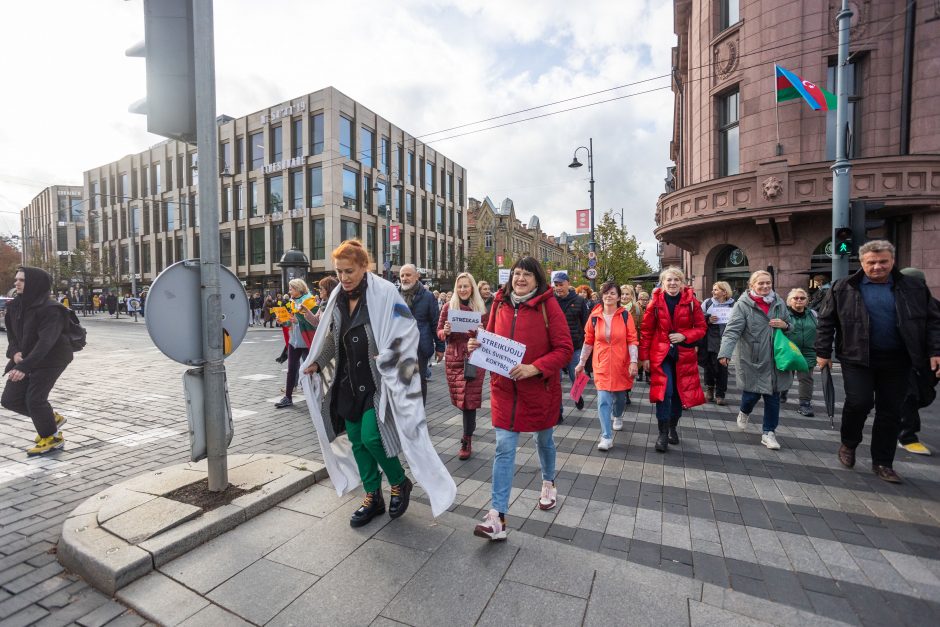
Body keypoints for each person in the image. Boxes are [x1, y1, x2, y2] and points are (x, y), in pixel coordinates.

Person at [301, 240, 455, 527]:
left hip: (378, 381)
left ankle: (399, 482)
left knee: (372, 437)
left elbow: (407, 330)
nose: (344, 277)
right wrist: (318, 361)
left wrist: (388, 355)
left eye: (349, 271)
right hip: (348, 382)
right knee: (357, 440)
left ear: (363, 267)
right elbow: (334, 339)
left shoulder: (384, 295)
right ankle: (373, 496)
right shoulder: (337, 299)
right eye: (340, 271)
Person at [467, 256, 573, 540]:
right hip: (504, 389)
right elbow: (488, 336)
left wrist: (535, 367)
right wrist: (477, 343)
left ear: (537, 280)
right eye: (517, 274)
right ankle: (497, 517)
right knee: (504, 447)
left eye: (527, 274)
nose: (521, 279)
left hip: (539, 390)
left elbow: (564, 348)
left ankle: (548, 482)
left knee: (543, 440)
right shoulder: (499, 303)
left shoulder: (548, 305)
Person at [816, 241, 940, 482]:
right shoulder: (843, 287)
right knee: (859, 403)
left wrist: (935, 350)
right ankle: (849, 443)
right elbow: (826, 321)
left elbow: (933, 321)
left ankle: (883, 462)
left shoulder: (914, 287)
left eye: (882, 261)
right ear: (861, 263)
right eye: (871, 262)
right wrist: (823, 353)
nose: (877, 267)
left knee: (891, 412)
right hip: (856, 357)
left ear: (892, 261)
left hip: (899, 360)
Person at [2, 267, 74, 455]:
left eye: (22, 280)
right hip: (27, 357)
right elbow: (12, 336)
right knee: (10, 399)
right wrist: (14, 353)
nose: (16, 283)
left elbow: (46, 343)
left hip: (53, 358)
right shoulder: (14, 306)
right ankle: (50, 419)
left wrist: (24, 366)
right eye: (16, 279)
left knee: (35, 399)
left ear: (36, 283)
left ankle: (52, 438)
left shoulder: (51, 309)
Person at [718, 270, 792, 451]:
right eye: (761, 283)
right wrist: (725, 353)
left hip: (775, 358)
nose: (765, 286)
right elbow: (732, 330)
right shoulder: (742, 305)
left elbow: (791, 324)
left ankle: (769, 433)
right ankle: (744, 412)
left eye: (768, 283)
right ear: (752, 286)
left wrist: (786, 325)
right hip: (752, 358)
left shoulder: (779, 302)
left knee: (773, 396)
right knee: (751, 395)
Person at [639, 267, 706, 452]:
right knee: (665, 391)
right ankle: (662, 433)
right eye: (669, 280)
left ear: (682, 282)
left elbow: (701, 327)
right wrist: (644, 357)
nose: (673, 283)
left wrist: (684, 335)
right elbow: (646, 331)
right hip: (662, 354)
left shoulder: (692, 302)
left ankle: (672, 427)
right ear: (663, 282)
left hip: (684, 354)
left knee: (678, 394)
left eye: (677, 279)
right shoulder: (655, 302)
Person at [576, 281, 638, 451]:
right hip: (601, 364)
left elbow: (632, 340)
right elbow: (588, 342)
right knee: (603, 400)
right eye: (606, 293)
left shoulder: (625, 315)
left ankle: (617, 415)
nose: (609, 296)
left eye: (612, 293)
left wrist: (633, 361)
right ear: (601, 296)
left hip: (621, 364)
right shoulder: (594, 317)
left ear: (618, 297)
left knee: (619, 398)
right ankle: (606, 436)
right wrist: (581, 363)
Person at [437, 272, 488, 460]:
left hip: (474, 357)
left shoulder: (480, 308)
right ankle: (470, 428)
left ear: (472, 288)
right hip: (454, 358)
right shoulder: (448, 307)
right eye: (460, 286)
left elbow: (488, 334)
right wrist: (445, 332)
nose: (463, 289)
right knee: (460, 400)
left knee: (469, 401)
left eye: (466, 286)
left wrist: (482, 333)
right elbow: (439, 331)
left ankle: (466, 438)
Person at [897, 267, 936, 455]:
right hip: (901, 360)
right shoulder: (895, 303)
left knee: (924, 395)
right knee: (909, 396)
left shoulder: (932, 305)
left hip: (926, 360)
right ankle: (907, 435)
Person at [398, 264, 444, 404]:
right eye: (402, 276)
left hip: (420, 348)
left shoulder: (428, 297)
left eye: (408, 275)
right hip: (400, 347)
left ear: (417, 276)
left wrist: (440, 347)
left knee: (419, 382)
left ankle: (420, 416)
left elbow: (435, 323)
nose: (405, 278)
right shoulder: (395, 295)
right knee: (402, 382)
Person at [274, 279, 316, 409]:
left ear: (298, 289)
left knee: (311, 370)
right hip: (294, 341)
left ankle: (316, 395)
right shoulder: (293, 302)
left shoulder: (310, 301)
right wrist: (284, 321)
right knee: (291, 369)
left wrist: (296, 320)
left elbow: (314, 323)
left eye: (291, 289)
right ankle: (288, 397)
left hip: (307, 341)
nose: (289, 291)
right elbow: (292, 322)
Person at [554, 272, 589, 416]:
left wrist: (585, 341)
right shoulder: (551, 300)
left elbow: (586, 323)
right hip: (555, 347)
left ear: (568, 283)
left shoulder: (579, 301)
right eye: (556, 285)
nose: (558, 288)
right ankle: (559, 411)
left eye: (561, 285)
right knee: (556, 380)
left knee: (576, 376)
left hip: (574, 346)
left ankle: (577, 396)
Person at [784, 288, 817, 416]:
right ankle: (783, 391)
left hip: (808, 352)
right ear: (789, 301)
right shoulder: (784, 314)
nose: (799, 300)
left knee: (806, 378)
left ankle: (805, 404)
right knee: (787, 376)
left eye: (802, 298)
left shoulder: (813, 314)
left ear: (806, 301)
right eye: (795, 298)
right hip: (789, 351)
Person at [700, 282, 735, 405]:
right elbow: (698, 319)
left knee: (722, 367)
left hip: (725, 339)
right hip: (709, 338)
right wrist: (707, 319)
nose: (713, 292)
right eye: (713, 289)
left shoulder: (733, 304)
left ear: (724, 292)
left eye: (716, 290)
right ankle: (709, 388)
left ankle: (720, 394)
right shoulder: (707, 303)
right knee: (709, 365)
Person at [619, 284, 643, 395]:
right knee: (619, 370)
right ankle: (621, 391)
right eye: (622, 294)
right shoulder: (613, 307)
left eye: (627, 294)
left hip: (631, 344)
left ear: (632, 295)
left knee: (629, 368)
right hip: (617, 345)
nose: (624, 296)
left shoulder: (637, 309)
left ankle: (627, 391)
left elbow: (642, 327)